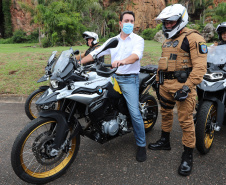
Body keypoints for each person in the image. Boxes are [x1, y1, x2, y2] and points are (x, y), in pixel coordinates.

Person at [148, 4, 207, 176]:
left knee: (185, 121)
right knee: (165, 114)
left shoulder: (194, 38)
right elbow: (164, 63)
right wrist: (158, 82)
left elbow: (200, 68)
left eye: (171, 22)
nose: (167, 25)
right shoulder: (167, 40)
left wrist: (187, 87)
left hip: (183, 88)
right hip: (165, 87)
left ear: (181, 20)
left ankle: (188, 155)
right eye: (165, 22)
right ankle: (165, 141)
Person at [81, 11, 146, 162]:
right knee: (98, 99)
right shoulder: (113, 40)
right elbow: (96, 52)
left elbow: (137, 55)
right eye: (126, 21)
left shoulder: (138, 39)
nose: (129, 23)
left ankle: (141, 145)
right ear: (120, 23)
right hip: (113, 77)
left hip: (130, 79)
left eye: (132, 21)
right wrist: (79, 63)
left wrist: (122, 61)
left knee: (135, 113)